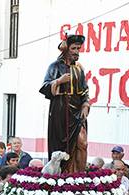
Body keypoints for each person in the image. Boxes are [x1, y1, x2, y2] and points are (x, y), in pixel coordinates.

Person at [40, 33, 90, 173]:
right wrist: (59, 81)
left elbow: (85, 91)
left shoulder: (79, 68)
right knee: (60, 147)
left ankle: (79, 175)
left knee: (82, 143)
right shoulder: (54, 66)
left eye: (78, 49)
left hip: (77, 111)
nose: (76, 52)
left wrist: (86, 104)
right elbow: (44, 87)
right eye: (73, 48)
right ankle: (62, 174)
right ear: (66, 49)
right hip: (60, 111)